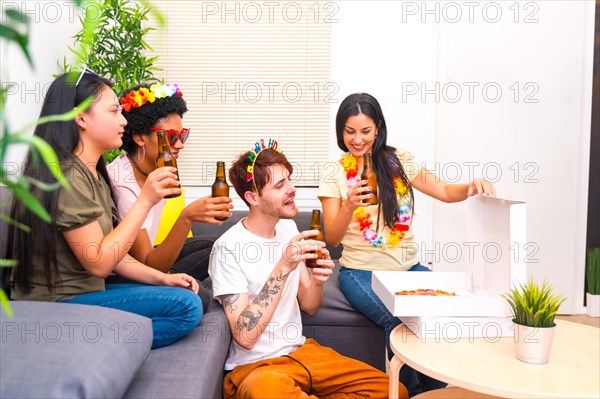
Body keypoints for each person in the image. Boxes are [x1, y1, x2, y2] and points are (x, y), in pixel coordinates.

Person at [318, 93, 497, 396]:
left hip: (408, 267)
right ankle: (414, 393)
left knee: (437, 315)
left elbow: (441, 189)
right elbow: (332, 238)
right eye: (350, 131)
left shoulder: (398, 161)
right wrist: (349, 205)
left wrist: (469, 187)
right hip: (361, 272)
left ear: (378, 128)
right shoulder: (334, 173)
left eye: (365, 130)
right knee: (398, 319)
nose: (357, 139)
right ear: (340, 132)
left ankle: (436, 392)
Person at [7, 71, 202, 349]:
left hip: (86, 294)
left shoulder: (93, 174)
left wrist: (163, 279)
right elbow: (98, 263)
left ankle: (101, 340)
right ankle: (96, 347)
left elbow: (115, 255)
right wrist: (145, 200)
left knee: (185, 293)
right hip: (57, 306)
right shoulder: (65, 177)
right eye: (113, 112)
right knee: (186, 307)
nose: (123, 121)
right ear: (81, 117)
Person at [209, 141, 402, 399]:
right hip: (257, 369)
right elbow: (245, 336)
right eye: (279, 185)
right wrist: (283, 266)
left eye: (289, 180)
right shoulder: (227, 248)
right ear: (252, 197)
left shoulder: (288, 229)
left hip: (302, 353)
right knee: (266, 392)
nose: (292, 189)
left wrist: (318, 282)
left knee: (393, 391)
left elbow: (310, 305)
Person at [107, 83, 233, 284]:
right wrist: (187, 217)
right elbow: (149, 265)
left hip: (148, 259)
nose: (180, 144)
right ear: (140, 137)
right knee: (199, 295)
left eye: (182, 135)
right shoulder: (122, 184)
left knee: (219, 246)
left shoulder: (155, 170)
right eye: (172, 137)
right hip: (126, 276)